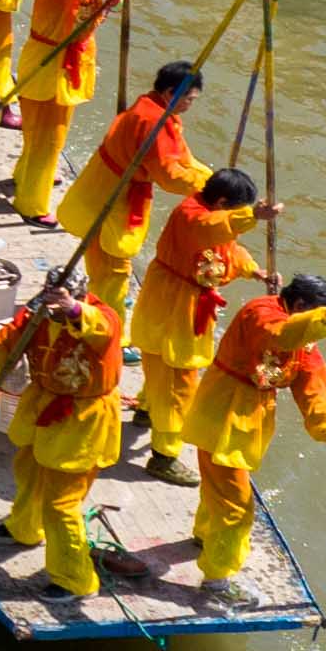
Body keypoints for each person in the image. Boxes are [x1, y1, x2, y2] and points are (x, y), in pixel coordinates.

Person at [188, 275, 326, 587]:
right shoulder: (260, 313)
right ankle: (217, 579)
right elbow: (280, 336)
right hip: (222, 412)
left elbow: (312, 385)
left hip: (250, 420)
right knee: (237, 510)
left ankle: (206, 537)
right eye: (315, 315)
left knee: (221, 486)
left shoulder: (303, 338)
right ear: (301, 306)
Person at [128, 163, 263, 466]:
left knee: (159, 364)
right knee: (178, 383)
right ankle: (165, 455)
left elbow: (227, 248)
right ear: (222, 204)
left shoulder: (213, 216)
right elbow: (211, 230)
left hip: (175, 299)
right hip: (176, 305)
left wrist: (256, 271)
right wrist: (253, 216)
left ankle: (146, 409)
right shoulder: (193, 217)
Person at [2, 286, 131, 598]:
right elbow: (5, 343)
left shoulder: (102, 318)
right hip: (43, 402)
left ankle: (75, 579)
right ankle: (24, 527)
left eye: (59, 307)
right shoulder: (38, 314)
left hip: (83, 417)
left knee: (62, 503)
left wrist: (72, 309)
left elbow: (102, 327)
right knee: (28, 468)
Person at [59, 58, 209, 309]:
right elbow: (170, 177)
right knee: (116, 268)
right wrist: (204, 186)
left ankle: (97, 304)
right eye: (189, 99)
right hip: (117, 195)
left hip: (99, 182)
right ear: (170, 92)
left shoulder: (148, 104)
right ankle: (109, 321)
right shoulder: (155, 124)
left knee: (97, 254)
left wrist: (209, 177)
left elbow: (183, 157)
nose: (190, 105)